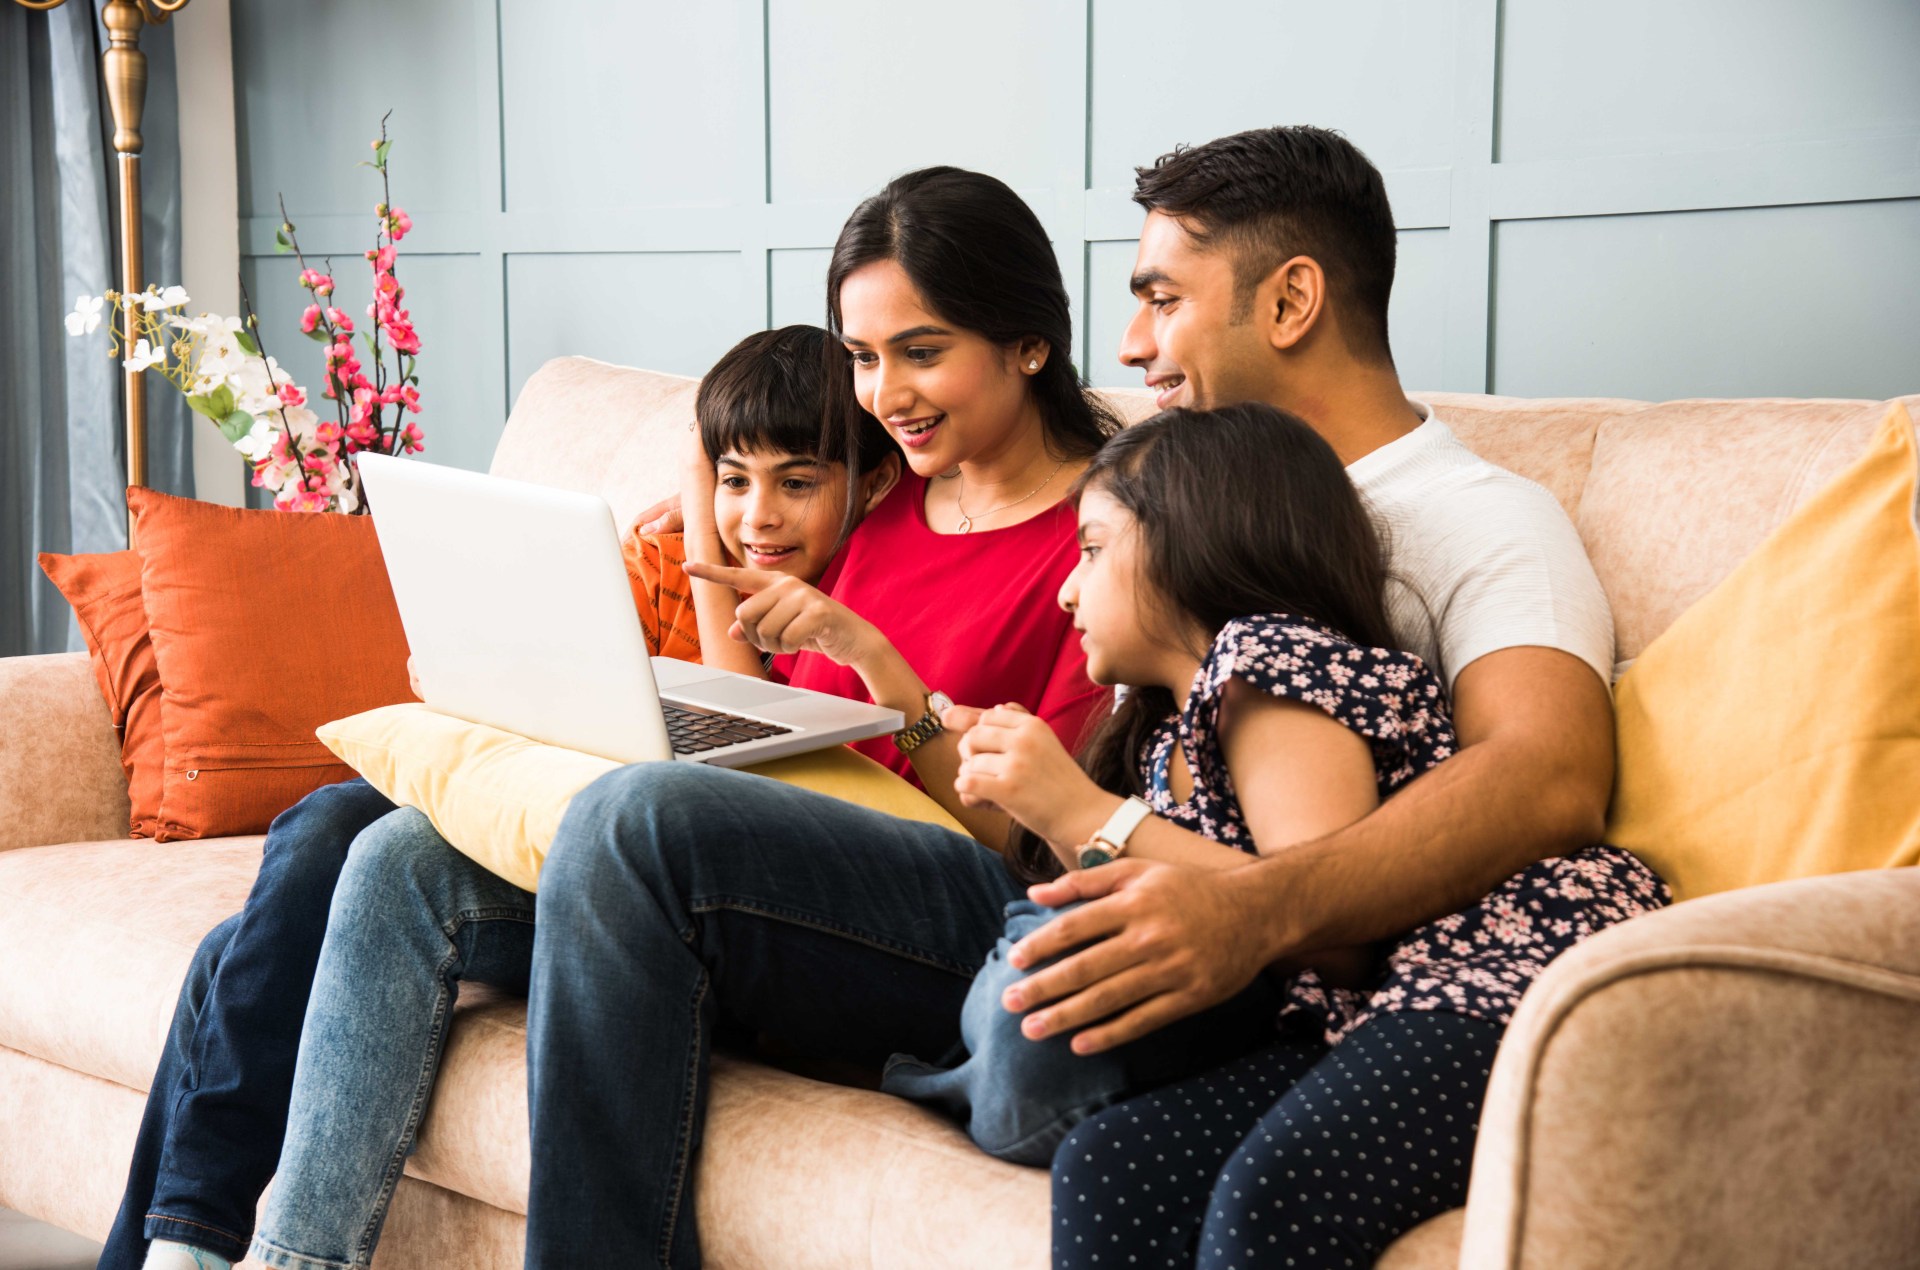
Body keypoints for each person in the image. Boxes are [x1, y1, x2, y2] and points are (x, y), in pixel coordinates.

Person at [518, 126, 1666, 1268]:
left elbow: (1547, 773)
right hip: (1167, 918)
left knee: (657, 834)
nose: (1128, 345)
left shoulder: (1474, 520)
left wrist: (1246, 901)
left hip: (1344, 961)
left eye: (1161, 299)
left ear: (1291, 300)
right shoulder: (1156, 494)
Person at [237, 166, 1116, 1270]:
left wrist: (885, 672)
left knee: (635, 812)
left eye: (920, 350)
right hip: (768, 866)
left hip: (957, 901)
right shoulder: (884, 481)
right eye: (862, 355)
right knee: (396, 855)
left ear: (1029, 341)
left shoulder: (1105, 527)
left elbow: (1028, 841)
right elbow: (755, 681)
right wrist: (704, 487)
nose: (883, 389)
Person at [103, 322, 901, 1270]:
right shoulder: (679, 571)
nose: (759, 516)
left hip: (656, 889)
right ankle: (176, 1248)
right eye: (735, 479)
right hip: (563, 817)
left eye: (796, 483)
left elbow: (756, 737)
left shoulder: (847, 605)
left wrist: (703, 500)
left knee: (337, 888)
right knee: (252, 926)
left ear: (868, 480)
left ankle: (203, 1248)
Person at [885, 405, 1664, 1270]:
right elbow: (1163, 892)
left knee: (1274, 1203)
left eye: (1094, 549)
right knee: (1112, 1166)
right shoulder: (1165, 735)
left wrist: (1084, 812)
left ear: (1194, 543)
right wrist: (1049, 807)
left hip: (1504, 977)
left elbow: (1335, 940)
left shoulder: (1271, 663)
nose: (1069, 587)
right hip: (1369, 1010)